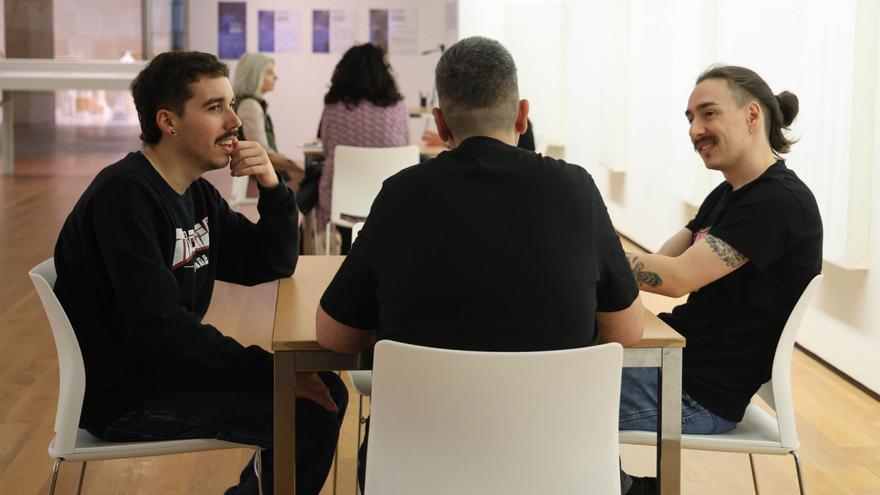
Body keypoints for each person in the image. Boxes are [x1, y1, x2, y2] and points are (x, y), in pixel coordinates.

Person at [314, 36, 645, 494]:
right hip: (557, 469)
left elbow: (334, 336)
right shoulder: (576, 190)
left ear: (440, 122)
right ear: (521, 114)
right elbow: (627, 332)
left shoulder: (401, 194)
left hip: (415, 471)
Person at [52, 51, 348, 495]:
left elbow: (269, 261)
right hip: (129, 397)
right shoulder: (124, 198)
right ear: (168, 122)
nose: (234, 120)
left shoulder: (194, 193)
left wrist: (272, 187)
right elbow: (163, 331)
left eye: (230, 104)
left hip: (169, 369)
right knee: (310, 408)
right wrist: (272, 371)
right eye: (215, 108)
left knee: (322, 394)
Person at [619, 66, 822, 494]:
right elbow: (662, 261)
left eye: (707, 114)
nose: (695, 130)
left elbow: (675, 279)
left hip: (698, 395)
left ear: (752, 115)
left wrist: (587, 258)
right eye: (690, 118)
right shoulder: (730, 192)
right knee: (562, 365)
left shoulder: (777, 202)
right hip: (678, 369)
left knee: (553, 390)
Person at [317, 43, 409, 254]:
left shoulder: (333, 107)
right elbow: (404, 144)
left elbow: (327, 149)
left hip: (342, 202)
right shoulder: (398, 107)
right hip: (391, 199)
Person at [233, 52, 319, 214]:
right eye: (270, 72)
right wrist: (298, 166)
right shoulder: (250, 106)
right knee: (314, 179)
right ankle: (302, 234)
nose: (276, 77)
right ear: (256, 76)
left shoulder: (248, 104)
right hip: (255, 181)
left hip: (253, 176)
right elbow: (262, 152)